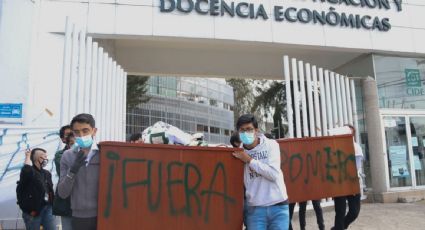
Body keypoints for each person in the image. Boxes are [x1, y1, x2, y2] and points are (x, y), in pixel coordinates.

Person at [232, 114, 289, 230]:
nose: (245, 133)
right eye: (242, 130)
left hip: (278, 205)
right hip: (255, 209)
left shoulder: (271, 145)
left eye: (249, 129)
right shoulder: (238, 152)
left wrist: (249, 160)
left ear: (256, 130)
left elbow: (273, 174)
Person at [58, 113, 100, 230]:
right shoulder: (67, 156)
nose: (81, 135)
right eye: (77, 132)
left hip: (103, 214)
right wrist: (73, 170)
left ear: (94, 131)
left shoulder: (104, 153)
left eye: (85, 130)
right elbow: (62, 193)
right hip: (79, 216)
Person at [331, 124, 364, 230]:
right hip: (339, 183)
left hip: (353, 182)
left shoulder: (356, 147)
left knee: (354, 212)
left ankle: (338, 228)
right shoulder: (334, 147)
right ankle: (338, 227)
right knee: (340, 211)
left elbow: (357, 166)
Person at [18, 148, 55, 230]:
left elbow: (50, 189)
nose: (46, 159)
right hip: (33, 211)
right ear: (38, 158)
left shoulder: (47, 173)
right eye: (44, 156)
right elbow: (26, 169)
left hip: (47, 207)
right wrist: (28, 156)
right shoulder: (29, 172)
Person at [53, 126, 73, 230]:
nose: (71, 135)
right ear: (63, 139)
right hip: (66, 201)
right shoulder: (60, 155)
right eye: (68, 134)